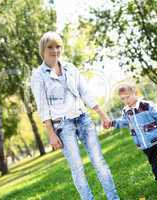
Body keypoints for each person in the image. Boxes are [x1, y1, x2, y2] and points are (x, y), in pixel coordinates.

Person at [30, 31, 119, 200]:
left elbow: (85, 92)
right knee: (78, 168)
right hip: (63, 126)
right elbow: (43, 107)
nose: (55, 50)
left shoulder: (70, 68)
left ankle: (113, 198)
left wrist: (103, 115)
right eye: (50, 47)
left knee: (99, 162)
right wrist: (51, 133)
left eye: (58, 46)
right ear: (43, 49)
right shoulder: (38, 75)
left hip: (83, 119)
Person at [107, 83, 157, 184]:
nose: (126, 100)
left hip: (156, 137)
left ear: (135, 93)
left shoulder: (146, 105)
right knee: (153, 161)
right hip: (143, 142)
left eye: (128, 97)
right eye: (123, 99)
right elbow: (124, 121)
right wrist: (112, 123)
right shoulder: (126, 111)